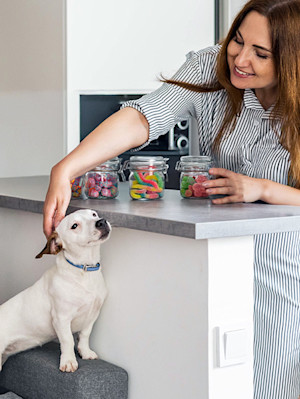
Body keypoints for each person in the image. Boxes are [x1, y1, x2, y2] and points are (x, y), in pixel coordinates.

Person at [43, 0, 300, 397]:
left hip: (286, 274)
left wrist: (264, 189)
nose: (241, 58)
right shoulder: (210, 68)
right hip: (221, 264)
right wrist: (66, 169)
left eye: (261, 53)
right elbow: (145, 117)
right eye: (237, 39)